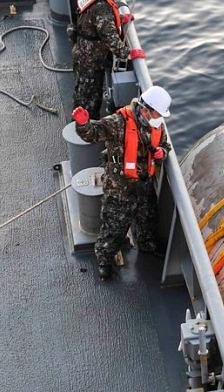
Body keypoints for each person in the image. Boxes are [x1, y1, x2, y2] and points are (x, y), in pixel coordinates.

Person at [72, 86, 172, 280]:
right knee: (113, 226)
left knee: (147, 219)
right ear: (145, 109)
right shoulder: (118, 122)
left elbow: (164, 145)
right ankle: (104, 259)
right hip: (120, 188)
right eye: (158, 114)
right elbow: (93, 133)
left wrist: (163, 152)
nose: (160, 118)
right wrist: (83, 124)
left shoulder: (156, 124)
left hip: (144, 184)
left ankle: (147, 246)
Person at [70, 0, 144, 119]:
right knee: (88, 98)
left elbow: (97, 20)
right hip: (89, 60)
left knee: (87, 92)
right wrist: (129, 53)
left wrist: (119, 18)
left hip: (86, 55)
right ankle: (83, 127)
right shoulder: (102, 8)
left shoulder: (101, 6)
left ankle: (85, 125)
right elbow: (111, 40)